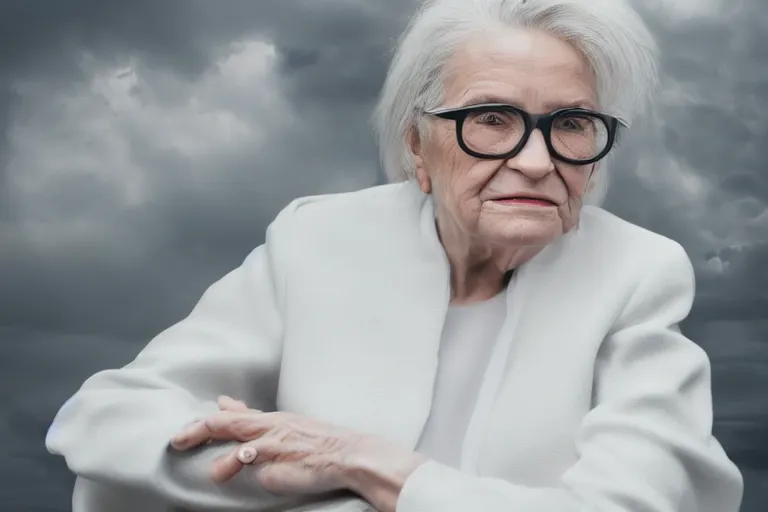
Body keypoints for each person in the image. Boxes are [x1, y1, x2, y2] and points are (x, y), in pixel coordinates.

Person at [46, 0, 744, 511]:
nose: (536, 160)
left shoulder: (637, 272)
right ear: (417, 145)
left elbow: (637, 502)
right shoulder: (316, 241)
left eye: (570, 124)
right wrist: (303, 478)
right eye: (490, 119)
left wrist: (372, 467)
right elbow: (110, 420)